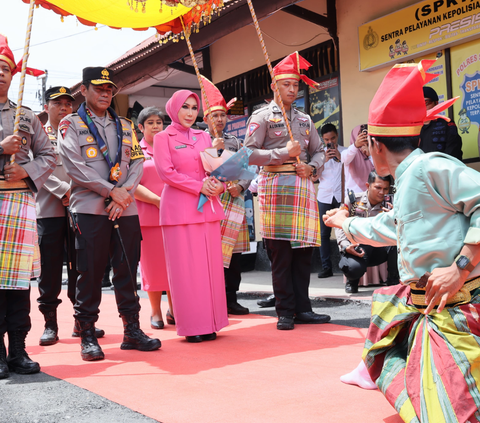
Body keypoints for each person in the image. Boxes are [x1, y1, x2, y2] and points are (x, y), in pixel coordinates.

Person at [323, 59, 480, 422]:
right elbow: (393, 227)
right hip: (431, 308)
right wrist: (347, 223)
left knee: (450, 410)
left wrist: (460, 266)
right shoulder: (409, 177)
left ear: (375, 145)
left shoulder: (430, 167)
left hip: (457, 304)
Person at [58, 67, 161, 361]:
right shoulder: (71, 123)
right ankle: (88, 334)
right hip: (90, 208)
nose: (105, 94)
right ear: (85, 90)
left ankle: (132, 330)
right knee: (89, 272)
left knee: (127, 270)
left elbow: (137, 163)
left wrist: (124, 193)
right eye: (99, 89)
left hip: (124, 209)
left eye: (109, 90)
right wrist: (109, 191)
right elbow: (74, 166)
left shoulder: (126, 125)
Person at [244, 51, 330, 330]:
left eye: (295, 85)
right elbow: (247, 154)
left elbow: (319, 151)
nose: (292, 90)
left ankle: (304, 308)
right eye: (286, 85)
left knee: (304, 252)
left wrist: (313, 169)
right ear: (274, 87)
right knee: (281, 253)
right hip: (276, 187)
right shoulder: (262, 117)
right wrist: (283, 152)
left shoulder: (305, 120)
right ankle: (285, 311)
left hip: (303, 188)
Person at [0, 35, 56, 379]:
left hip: (20, 201)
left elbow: (49, 155)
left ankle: (18, 350)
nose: (0, 74)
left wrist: (26, 169)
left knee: (19, 283)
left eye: (5, 69)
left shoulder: (27, 116)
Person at [155, 89, 229, 343]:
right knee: (186, 270)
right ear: (174, 108)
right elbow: (166, 173)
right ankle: (192, 326)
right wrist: (199, 186)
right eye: (184, 107)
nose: (189, 112)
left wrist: (220, 184)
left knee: (209, 268)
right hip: (179, 210)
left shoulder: (203, 136)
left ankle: (212, 322)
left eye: (193, 108)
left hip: (206, 208)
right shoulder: (163, 137)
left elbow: (213, 168)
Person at [36, 86, 105, 346]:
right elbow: (37, 169)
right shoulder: (37, 134)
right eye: (58, 104)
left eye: (68, 104)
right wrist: (65, 191)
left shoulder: (78, 132)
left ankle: (82, 320)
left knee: (81, 266)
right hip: (50, 211)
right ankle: (50, 324)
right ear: (46, 108)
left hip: (80, 209)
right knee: (50, 268)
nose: (65, 108)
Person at [201, 76, 252, 315]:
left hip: (234, 200)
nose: (219, 119)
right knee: (212, 253)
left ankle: (231, 298)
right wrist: (214, 147)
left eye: (222, 115)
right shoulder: (199, 141)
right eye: (214, 115)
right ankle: (213, 297)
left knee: (235, 254)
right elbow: (200, 170)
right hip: (211, 202)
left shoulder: (237, 142)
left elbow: (248, 170)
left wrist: (240, 186)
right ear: (206, 119)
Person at [133, 106, 174, 329]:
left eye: (159, 122)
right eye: (150, 123)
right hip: (148, 217)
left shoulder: (170, 148)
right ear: (141, 127)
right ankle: (155, 311)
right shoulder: (135, 152)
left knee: (175, 265)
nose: (156, 126)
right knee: (153, 267)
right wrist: (158, 201)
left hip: (174, 216)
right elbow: (132, 184)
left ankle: (174, 309)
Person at [335, 170, 399, 293]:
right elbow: (339, 223)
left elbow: (400, 230)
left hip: (381, 248)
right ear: (368, 186)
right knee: (353, 268)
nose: (382, 192)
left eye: (386, 189)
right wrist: (345, 245)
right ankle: (352, 281)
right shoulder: (353, 201)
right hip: (359, 247)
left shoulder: (392, 203)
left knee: (397, 243)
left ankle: (393, 281)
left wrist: (393, 217)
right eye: (378, 187)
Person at [316, 123, 346, 279]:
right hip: (324, 197)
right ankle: (326, 267)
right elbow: (314, 177)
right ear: (322, 139)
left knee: (344, 231)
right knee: (324, 234)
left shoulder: (346, 152)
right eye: (327, 139)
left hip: (341, 196)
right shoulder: (319, 155)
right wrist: (323, 162)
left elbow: (352, 171)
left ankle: (346, 265)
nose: (330, 142)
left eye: (333, 138)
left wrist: (341, 159)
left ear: (337, 135)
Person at [420, 86, 463, 160]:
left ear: (436, 103)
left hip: (442, 168)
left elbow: (453, 152)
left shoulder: (446, 124)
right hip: (419, 170)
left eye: (426, 102)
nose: (423, 106)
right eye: (419, 103)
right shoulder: (412, 127)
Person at [342, 124, 374, 195]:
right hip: (354, 198)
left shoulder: (376, 153)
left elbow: (380, 171)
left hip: (371, 197)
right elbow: (345, 159)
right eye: (360, 135)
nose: (364, 138)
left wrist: (370, 155)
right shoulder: (349, 152)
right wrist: (356, 145)